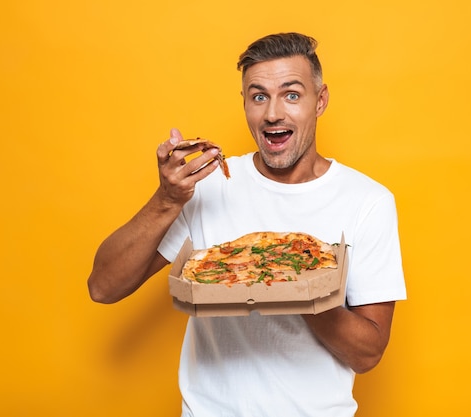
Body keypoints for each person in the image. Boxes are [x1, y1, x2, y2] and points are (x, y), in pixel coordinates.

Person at [88, 32, 406, 417]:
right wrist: (166, 200)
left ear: (319, 101)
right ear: (244, 104)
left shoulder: (367, 201)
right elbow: (103, 287)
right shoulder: (209, 186)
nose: (273, 113)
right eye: (258, 96)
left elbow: (368, 353)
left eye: (291, 94)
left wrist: (298, 282)